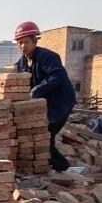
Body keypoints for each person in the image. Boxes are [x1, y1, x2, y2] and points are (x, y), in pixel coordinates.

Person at [13, 21, 76, 172]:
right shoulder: (21, 63)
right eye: (20, 43)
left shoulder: (48, 57)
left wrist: (37, 90)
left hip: (60, 102)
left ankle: (62, 167)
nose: (23, 46)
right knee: (43, 133)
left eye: (26, 42)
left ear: (34, 40)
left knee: (45, 133)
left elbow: (59, 75)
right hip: (45, 103)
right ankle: (54, 165)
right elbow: (19, 81)